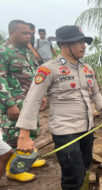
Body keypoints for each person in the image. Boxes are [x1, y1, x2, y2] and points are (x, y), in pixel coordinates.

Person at [16, 25, 102, 190]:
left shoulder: (87, 68)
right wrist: (24, 135)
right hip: (65, 132)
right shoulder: (48, 69)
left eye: (84, 42)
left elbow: (96, 93)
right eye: (78, 42)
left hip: (88, 129)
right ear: (63, 45)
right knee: (72, 176)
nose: (84, 46)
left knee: (85, 167)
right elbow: (32, 100)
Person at [0, 20, 46, 182]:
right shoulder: (3, 52)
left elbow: (34, 75)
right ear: (12, 32)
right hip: (15, 103)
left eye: (29, 34)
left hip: (30, 102)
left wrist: (41, 95)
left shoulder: (26, 51)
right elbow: (1, 80)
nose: (28, 36)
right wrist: (10, 105)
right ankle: (13, 170)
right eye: (24, 33)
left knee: (31, 131)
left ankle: (25, 160)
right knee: (14, 136)